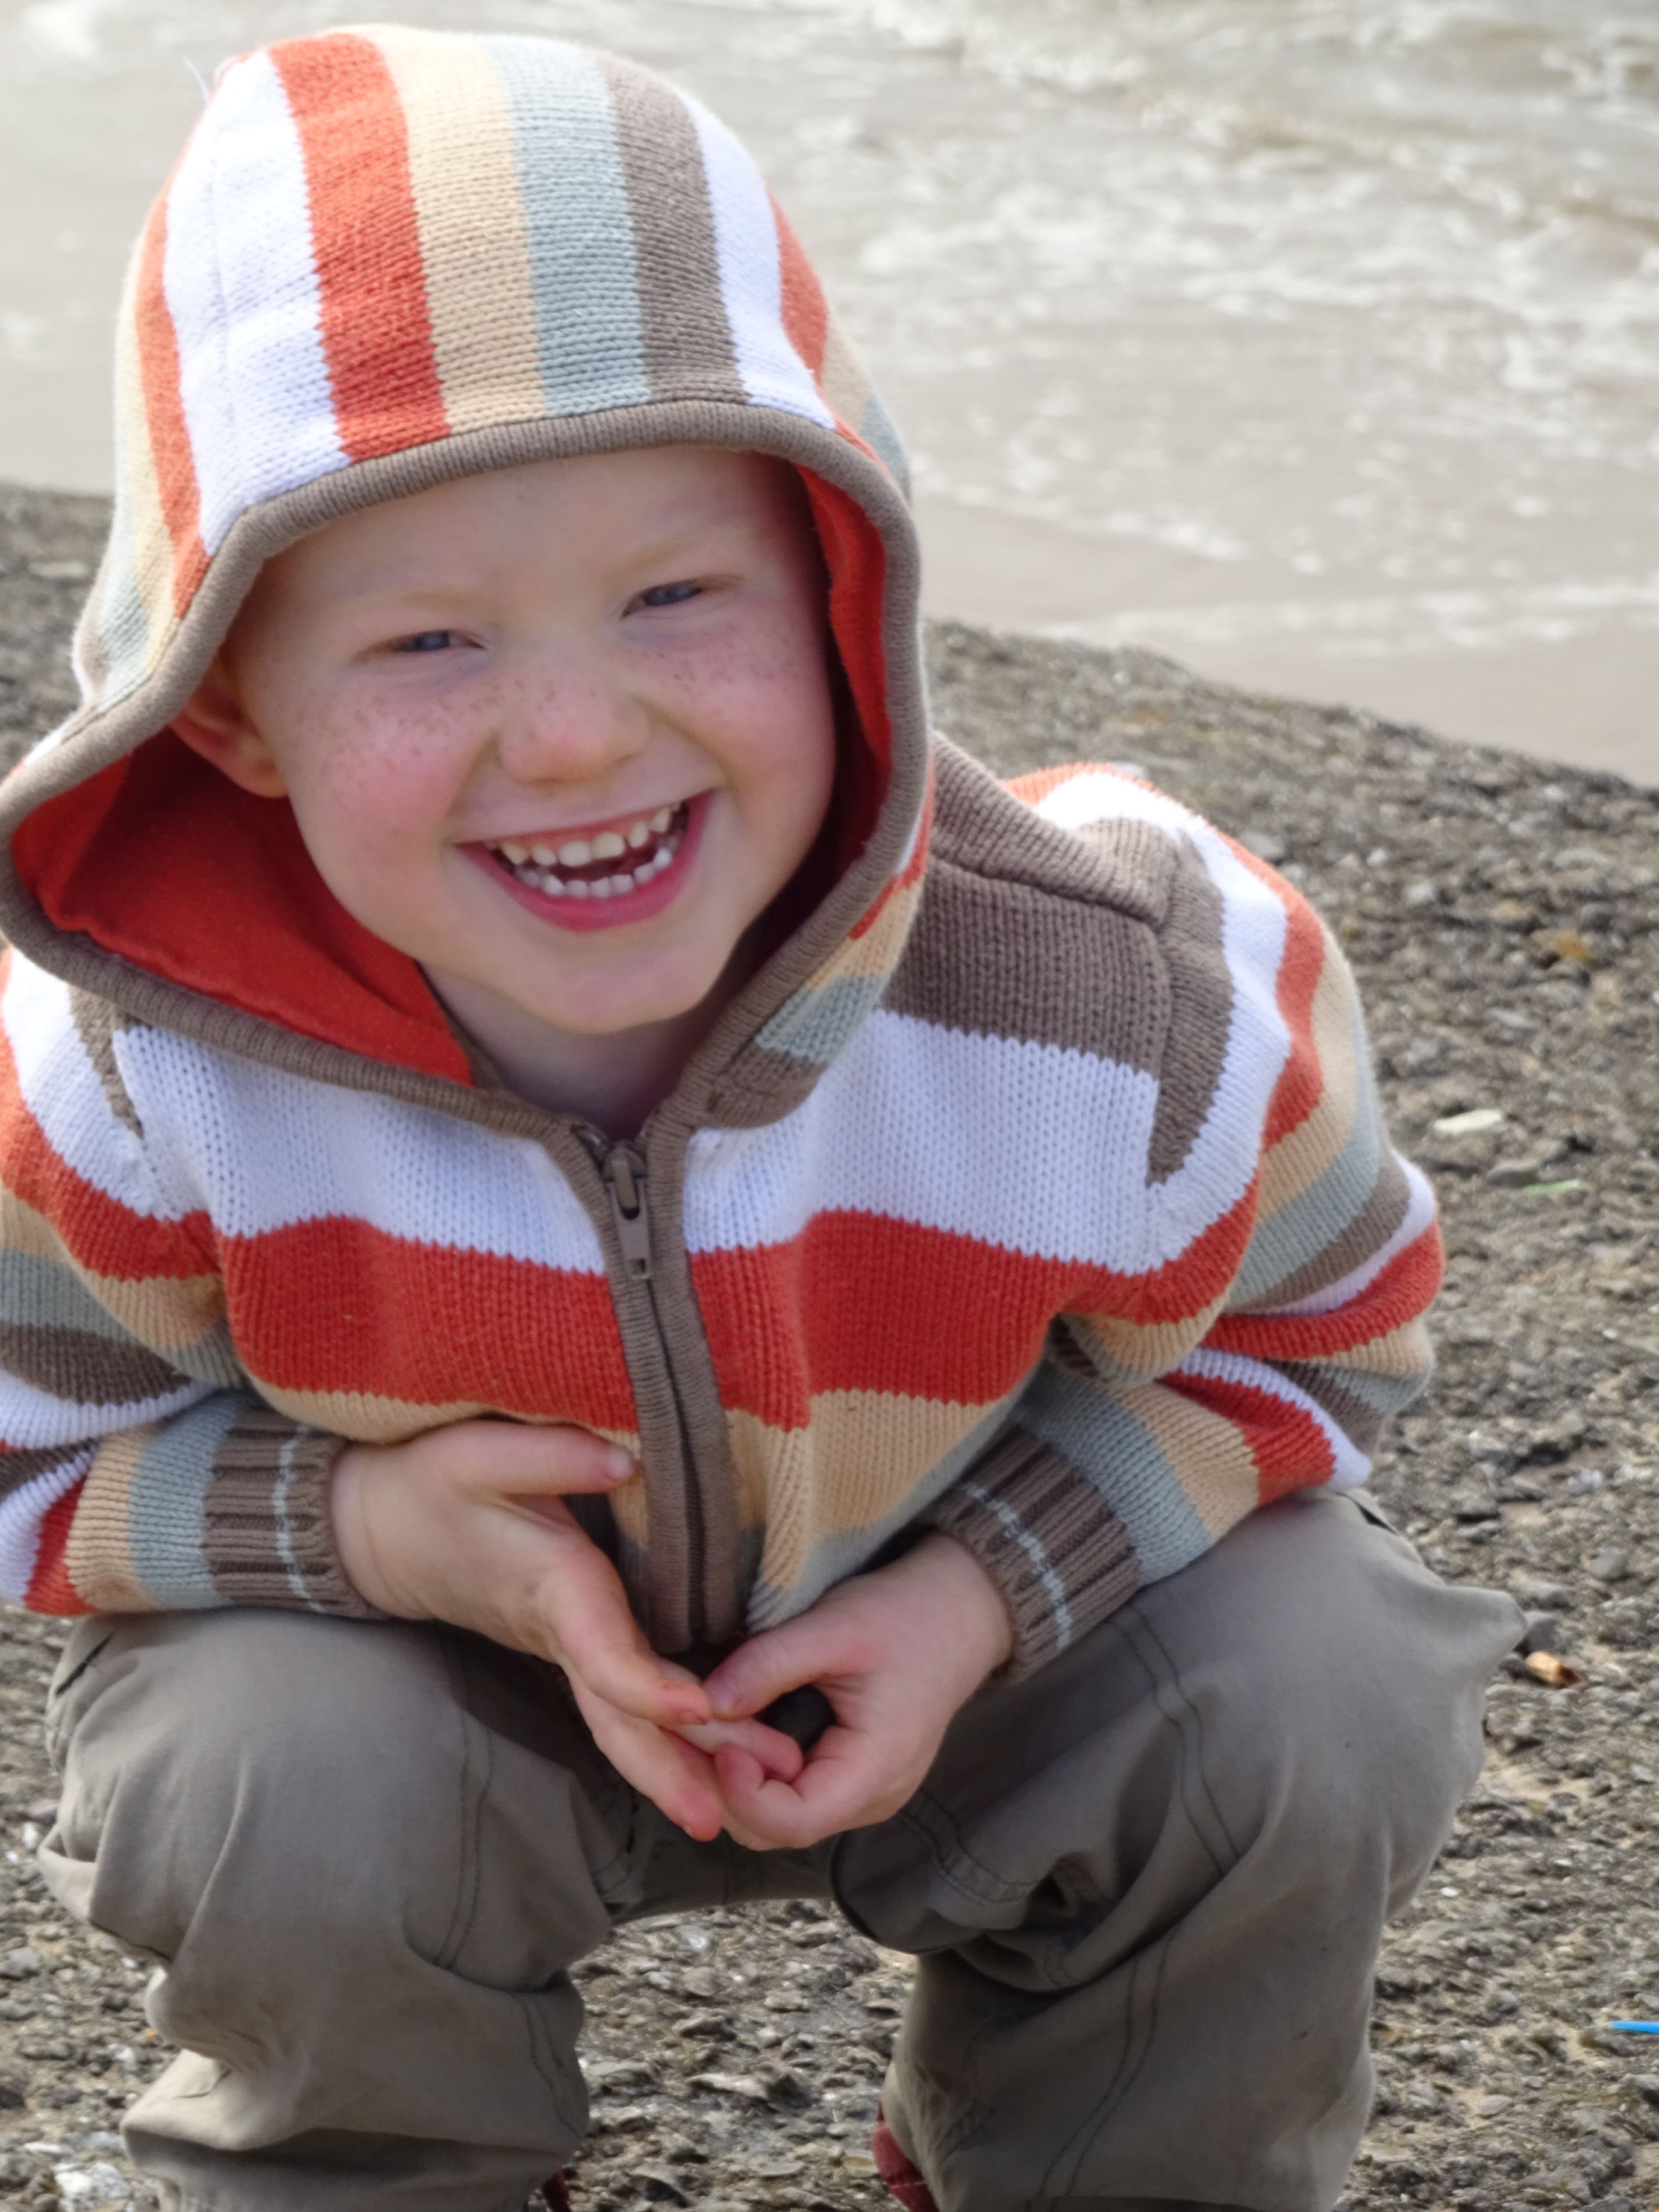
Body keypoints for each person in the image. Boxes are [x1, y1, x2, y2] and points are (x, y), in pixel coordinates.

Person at [0, 27, 1519, 2212]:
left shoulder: (1121, 991)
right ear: (224, 710)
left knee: (1319, 1679)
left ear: (838, 587)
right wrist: (376, 1535)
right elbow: (32, 1451)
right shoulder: (135, 1074)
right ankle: (384, 2165)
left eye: (674, 595)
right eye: (426, 641)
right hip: (436, 1702)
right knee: (264, 1763)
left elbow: (1318, 1340)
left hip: (992, 1656)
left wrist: (985, 1592)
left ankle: (1107, 2154)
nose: (569, 733)